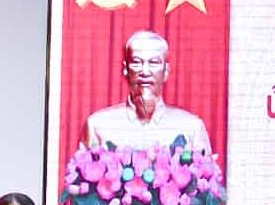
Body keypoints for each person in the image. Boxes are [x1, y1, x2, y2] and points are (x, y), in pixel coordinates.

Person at [85, 30, 213, 154]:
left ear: (166, 71)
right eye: (136, 62)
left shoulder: (191, 127)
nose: (145, 72)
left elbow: (207, 174)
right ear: (125, 69)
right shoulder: (98, 124)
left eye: (153, 63)